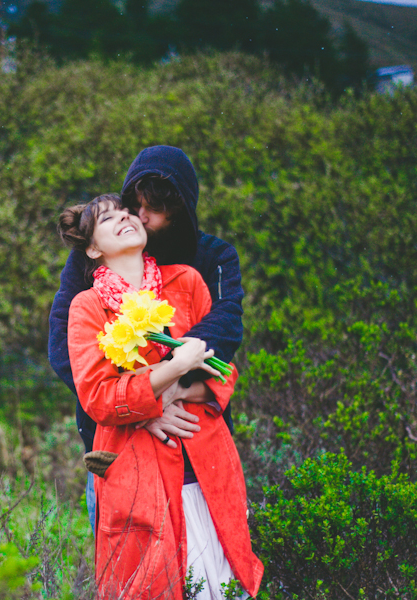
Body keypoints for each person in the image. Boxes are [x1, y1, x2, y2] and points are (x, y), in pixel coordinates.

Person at [58, 194, 262, 599]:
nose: (123, 219)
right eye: (108, 219)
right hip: (138, 477)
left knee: (221, 584)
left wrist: (180, 388)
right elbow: (98, 396)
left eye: (126, 213)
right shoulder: (88, 308)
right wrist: (173, 369)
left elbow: (225, 374)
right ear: (93, 248)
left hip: (206, 467)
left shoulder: (186, 282)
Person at [48, 145, 245, 527]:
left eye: (152, 208)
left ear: (179, 209)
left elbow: (225, 325)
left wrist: (172, 382)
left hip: (196, 445)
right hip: (118, 450)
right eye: (131, 204)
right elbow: (64, 348)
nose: (138, 217)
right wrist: (138, 410)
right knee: (132, 574)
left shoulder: (210, 258)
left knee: (207, 572)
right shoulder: (96, 255)